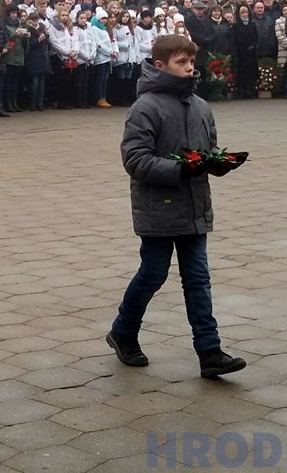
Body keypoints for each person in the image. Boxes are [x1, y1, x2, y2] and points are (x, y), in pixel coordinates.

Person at [106, 34, 246, 379]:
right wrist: (181, 168)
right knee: (152, 274)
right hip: (158, 207)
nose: (189, 68)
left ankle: (210, 352)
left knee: (198, 279)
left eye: (191, 61)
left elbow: (207, 149)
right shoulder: (145, 107)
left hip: (195, 206)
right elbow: (136, 160)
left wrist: (217, 163)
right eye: (181, 62)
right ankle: (123, 332)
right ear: (160, 65)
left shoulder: (200, 106)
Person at [232, 4, 259, 99]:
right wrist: (244, 47)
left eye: (246, 12)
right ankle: (242, 91)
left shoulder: (253, 24)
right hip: (241, 53)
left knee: (251, 73)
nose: (244, 14)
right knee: (242, 73)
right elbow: (236, 39)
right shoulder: (236, 26)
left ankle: (250, 91)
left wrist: (252, 46)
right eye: (242, 13)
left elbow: (256, 37)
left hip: (251, 54)